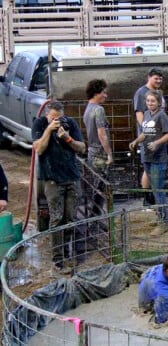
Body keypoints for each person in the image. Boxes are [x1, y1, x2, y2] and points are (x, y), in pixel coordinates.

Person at [32, 101, 86, 275]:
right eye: (54, 118)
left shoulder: (69, 123)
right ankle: (57, 260)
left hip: (72, 177)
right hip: (52, 180)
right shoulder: (40, 124)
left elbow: (82, 147)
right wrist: (49, 129)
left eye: (59, 118)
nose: (57, 121)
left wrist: (67, 138)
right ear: (48, 115)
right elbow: (39, 149)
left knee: (70, 219)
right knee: (57, 219)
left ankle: (68, 254)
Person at [129, 90, 168, 236]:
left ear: (159, 102)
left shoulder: (162, 116)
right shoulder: (147, 114)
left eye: (152, 101)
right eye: (148, 101)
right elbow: (145, 132)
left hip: (158, 158)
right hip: (147, 157)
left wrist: (156, 143)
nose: (149, 103)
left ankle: (163, 222)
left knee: (158, 190)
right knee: (154, 189)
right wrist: (136, 141)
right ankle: (160, 217)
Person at [133, 68, 168, 207]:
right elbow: (139, 113)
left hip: (158, 136)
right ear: (149, 77)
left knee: (153, 168)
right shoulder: (141, 93)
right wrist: (148, 130)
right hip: (148, 137)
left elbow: (163, 118)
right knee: (148, 169)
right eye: (156, 78)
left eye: (160, 79)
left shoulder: (159, 95)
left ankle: (155, 199)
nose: (158, 81)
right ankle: (148, 198)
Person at [138, 253, 168, 324]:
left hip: (147, 287)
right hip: (149, 306)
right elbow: (162, 320)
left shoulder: (162, 267)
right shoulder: (162, 293)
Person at [83, 79, 112, 173]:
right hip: (100, 154)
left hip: (91, 152)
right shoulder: (98, 109)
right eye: (103, 93)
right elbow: (102, 134)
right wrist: (109, 154)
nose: (106, 95)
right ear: (95, 94)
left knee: (95, 185)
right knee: (102, 184)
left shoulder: (87, 109)